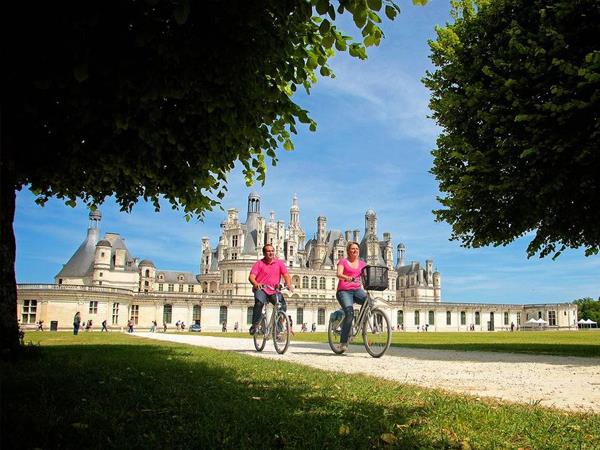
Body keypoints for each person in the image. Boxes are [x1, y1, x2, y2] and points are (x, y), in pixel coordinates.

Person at [248, 244, 294, 335]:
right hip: (262, 289)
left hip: (274, 290)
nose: (271, 253)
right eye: (268, 251)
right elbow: (251, 277)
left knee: (282, 307)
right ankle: (255, 325)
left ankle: (277, 331)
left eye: (272, 251)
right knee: (259, 303)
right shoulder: (259, 264)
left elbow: (286, 275)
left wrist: (288, 284)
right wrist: (256, 284)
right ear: (264, 253)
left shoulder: (279, 263)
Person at [335, 241, 366, 353]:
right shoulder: (343, 261)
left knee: (369, 301)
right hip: (344, 291)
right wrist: (347, 277)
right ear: (348, 250)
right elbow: (338, 274)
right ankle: (343, 343)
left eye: (357, 249)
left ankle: (361, 325)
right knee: (349, 313)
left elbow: (367, 276)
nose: (355, 250)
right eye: (353, 249)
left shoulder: (362, 264)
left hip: (357, 290)